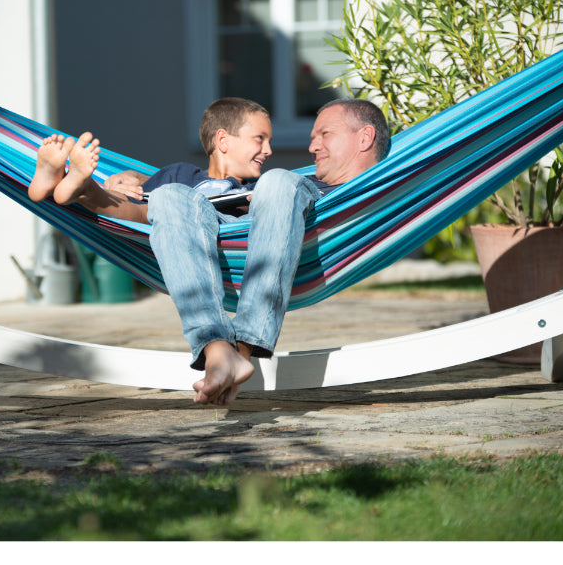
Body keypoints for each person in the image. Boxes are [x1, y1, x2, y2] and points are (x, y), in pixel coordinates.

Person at [28, 96, 389, 406]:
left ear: (364, 137)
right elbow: (147, 196)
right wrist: (136, 180)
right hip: (194, 225)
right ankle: (218, 349)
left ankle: (242, 348)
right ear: (223, 140)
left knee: (277, 180)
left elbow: (280, 193)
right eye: (260, 139)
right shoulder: (190, 177)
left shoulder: (299, 186)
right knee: (169, 195)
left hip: (254, 228)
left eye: (324, 134)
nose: (311, 147)